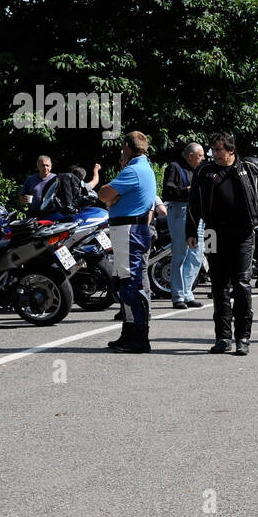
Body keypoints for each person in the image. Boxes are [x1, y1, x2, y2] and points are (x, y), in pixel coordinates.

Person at [188, 133, 258, 355]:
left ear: (231, 150)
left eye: (219, 150)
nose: (215, 154)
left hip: (242, 232)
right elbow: (193, 203)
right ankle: (222, 337)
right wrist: (191, 231)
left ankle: (243, 338)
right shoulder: (204, 170)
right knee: (218, 285)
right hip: (211, 232)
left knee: (241, 284)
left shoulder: (249, 166)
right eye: (213, 150)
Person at [96, 133, 158, 353]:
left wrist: (112, 198)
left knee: (132, 283)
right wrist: (114, 198)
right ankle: (130, 332)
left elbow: (103, 194)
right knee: (128, 282)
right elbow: (110, 197)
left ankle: (138, 337)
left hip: (129, 229)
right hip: (130, 228)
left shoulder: (133, 170)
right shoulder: (144, 168)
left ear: (126, 147)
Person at [162, 142, 206, 310]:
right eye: (200, 156)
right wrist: (190, 190)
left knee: (196, 256)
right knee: (181, 254)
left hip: (197, 214)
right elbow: (167, 192)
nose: (202, 159)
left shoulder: (199, 170)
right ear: (190, 156)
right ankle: (178, 296)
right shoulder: (174, 167)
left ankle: (187, 293)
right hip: (181, 211)